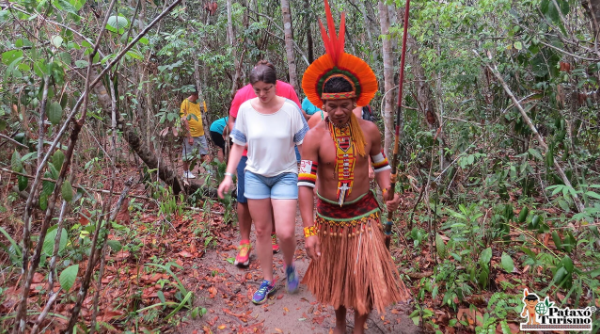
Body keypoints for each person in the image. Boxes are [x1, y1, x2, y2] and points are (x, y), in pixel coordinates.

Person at [298, 4, 410, 333]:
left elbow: (381, 164)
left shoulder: (370, 132)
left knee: (363, 276)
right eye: (331, 106)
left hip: (364, 215)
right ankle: (338, 321)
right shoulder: (313, 138)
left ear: (356, 102)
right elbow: (305, 185)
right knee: (337, 275)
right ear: (322, 104)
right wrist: (309, 231)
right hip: (329, 218)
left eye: (345, 105)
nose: (338, 112)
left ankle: (359, 327)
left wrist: (389, 190)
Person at [218, 62, 309, 304]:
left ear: (275, 85)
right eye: (257, 89)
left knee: (287, 231)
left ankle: (289, 266)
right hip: (255, 175)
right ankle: (267, 279)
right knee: (261, 231)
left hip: (285, 174)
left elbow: (305, 145)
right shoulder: (247, 109)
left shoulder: (290, 109)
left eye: (266, 88)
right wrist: (228, 175)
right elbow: (238, 144)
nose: (262, 94)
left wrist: (312, 175)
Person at [180, 87, 210, 179]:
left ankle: (208, 170)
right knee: (187, 154)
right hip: (190, 134)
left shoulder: (201, 102)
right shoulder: (185, 103)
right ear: (195, 94)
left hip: (201, 133)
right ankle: (186, 172)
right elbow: (183, 120)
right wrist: (189, 136)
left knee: (204, 153)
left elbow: (204, 115)